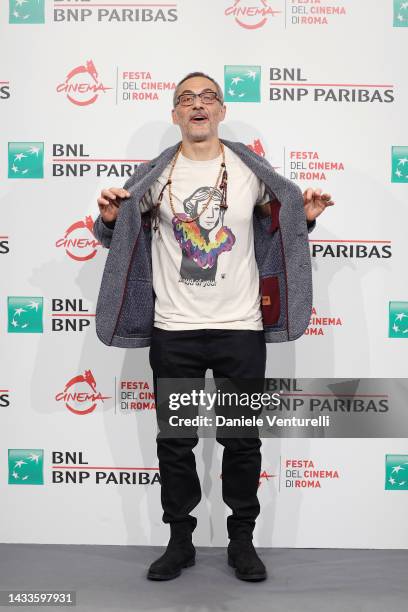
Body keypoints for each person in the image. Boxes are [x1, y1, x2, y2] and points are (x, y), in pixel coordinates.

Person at [92, 71, 334, 582]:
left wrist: (303, 219)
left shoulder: (248, 171)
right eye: (186, 99)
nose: (197, 105)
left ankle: (241, 541)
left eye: (207, 97)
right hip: (173, 331)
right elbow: (114, 234)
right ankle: (179, 540)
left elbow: (278, 228)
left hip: (240, 331)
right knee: (175, 442)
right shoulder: (154, 177)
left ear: (221, 111)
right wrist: (111, 220)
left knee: (242, 441)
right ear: (175, 115)